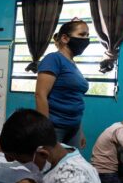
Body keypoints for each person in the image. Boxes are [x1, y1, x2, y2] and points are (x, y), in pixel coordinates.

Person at [0, 108, 115, 183]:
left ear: (43, 154)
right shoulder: (56, 149)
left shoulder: (71, 174)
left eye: (22, 161)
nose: (18, 163)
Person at [35, 19, 90, 148]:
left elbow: (75, 99)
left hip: (74, 128)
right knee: (50, 165)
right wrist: (45, 129)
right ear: (65, 38)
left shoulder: (72, 64)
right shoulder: (53, 59)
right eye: (82, 34)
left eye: (87, 35)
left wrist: (80, 131)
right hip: (55, 128)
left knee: (70, 166)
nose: (86, 39)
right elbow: (40, 94)